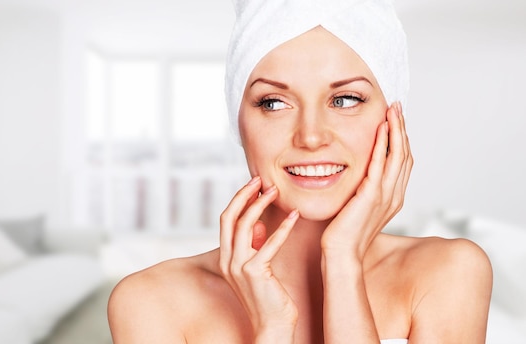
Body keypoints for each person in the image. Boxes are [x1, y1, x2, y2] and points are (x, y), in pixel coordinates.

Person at [107, 0, 493, 342]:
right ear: (237, 121)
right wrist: (273, 330)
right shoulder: (150, 301)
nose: (310, 137)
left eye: (344, 100)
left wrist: (343, 262)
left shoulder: (449, 273)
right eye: (273, 103)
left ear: (393, 118)